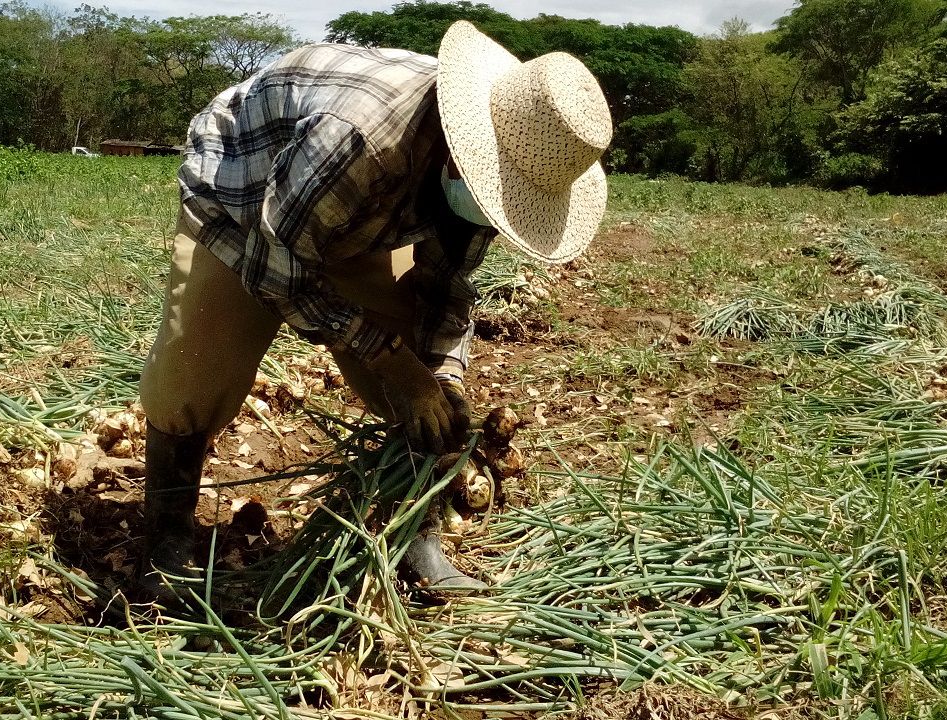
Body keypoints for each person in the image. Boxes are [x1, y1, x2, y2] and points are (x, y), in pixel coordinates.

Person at [137, 20, 612, 599]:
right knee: (194, 375)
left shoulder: (496, 170)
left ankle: (415, 532)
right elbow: (279, 267)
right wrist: (392, 362)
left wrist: (438, 375)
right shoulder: (360, 137)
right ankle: (166, 536)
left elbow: (446, 285)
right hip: (242, 199)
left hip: (352, 217)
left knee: (424, 392)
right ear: (461, 149)